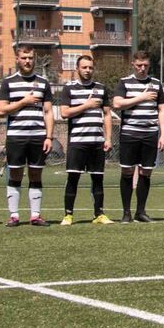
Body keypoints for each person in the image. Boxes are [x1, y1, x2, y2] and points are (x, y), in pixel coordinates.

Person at [0, 44, 53, 226]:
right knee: (16, 174)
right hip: (16, 136)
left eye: (30, 58)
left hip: (38, 136)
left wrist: (49, 136)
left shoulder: (43, 83)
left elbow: (48, 112)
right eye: (24, 58)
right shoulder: (8, 82)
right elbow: (1, 110)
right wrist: (24, 101)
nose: (28, 61)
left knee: (36, 174)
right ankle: (14, 215)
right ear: (17, 59)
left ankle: (35, 215)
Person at [111, 49, 164, 224]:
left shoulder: (156, 84)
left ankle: (140, 212)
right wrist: (141, 97)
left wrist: (163, 133)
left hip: (150, 134)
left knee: (146, 172)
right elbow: (117, 103)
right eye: (139, 65)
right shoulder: (125, 82)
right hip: (129, 133)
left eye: (145, 65)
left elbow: (162, 109)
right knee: (127, 171)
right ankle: (126, 213)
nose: (142, 68)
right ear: (133, 64)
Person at [59, 53, 112, 224]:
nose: (88, 70)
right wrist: (86, 105)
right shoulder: (69, 88)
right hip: (77, 141)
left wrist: (108, 138)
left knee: (98, 178)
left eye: (90, 67)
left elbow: (107, 115)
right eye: (84, 67)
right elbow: (64, 112)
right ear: (77, 69)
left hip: (97, 142)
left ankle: (99, 214)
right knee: (73, 178)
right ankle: (68, 215)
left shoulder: (101, 88)